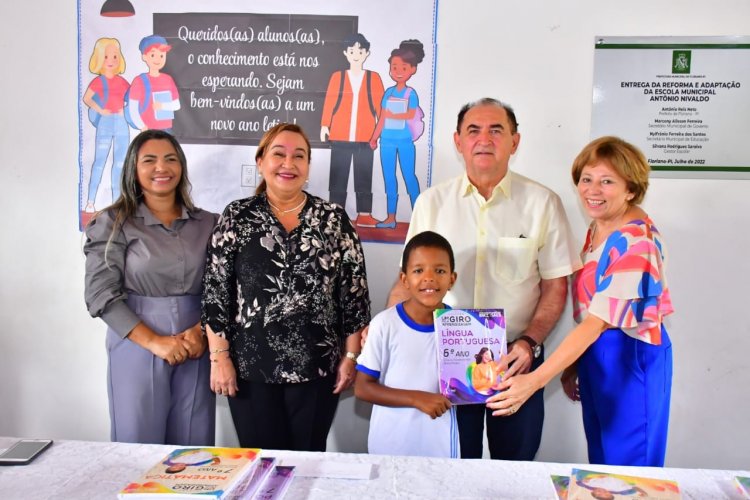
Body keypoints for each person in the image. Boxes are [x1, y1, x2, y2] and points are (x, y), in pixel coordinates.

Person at [386, 98, 581, 460]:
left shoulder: (542, 203)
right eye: (473, 130)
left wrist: (529, 344)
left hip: (515, 359)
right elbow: (407, 284)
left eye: (496, 130)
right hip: (443, 358)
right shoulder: (431, 203)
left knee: (516, 464)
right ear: (458, 141)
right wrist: (387, 334)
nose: (484, 139)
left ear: (515, 141)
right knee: (453, 465)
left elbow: (556, 287)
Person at [488, 136, 674, 467]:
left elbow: (596, 322)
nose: (592, 190)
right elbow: (593, 311)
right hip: (598, 355)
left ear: (630, 189)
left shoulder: (637, 242)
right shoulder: (599, 227)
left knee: (631, 470)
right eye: (586, 179)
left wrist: (534, 381)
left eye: (607, 181)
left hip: (630, 360)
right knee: (601, 464)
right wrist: (576, 365)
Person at [202, 123, 371, 452]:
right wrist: (218, 358)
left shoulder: (333, 219)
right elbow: (215, 294)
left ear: (308, 166)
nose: (288, 163)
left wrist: (351, 357)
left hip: (318, 371)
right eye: (278, 154)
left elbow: (355, 297)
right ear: (261, 161)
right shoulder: (237, 217)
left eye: (299, 156)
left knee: (307, 464)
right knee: (259, 463)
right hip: (250, 371)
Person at [84, 130, 217, 445]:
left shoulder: (209, 223)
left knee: (193, 448)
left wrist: (201, 330)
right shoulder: (113, 222)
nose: (162, 168)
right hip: (137, 339)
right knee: (137, 446)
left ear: (182, 167)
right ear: (133, 168)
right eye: (150, 160)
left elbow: (224, 287)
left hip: (197, 343)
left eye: (171, 159)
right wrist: (156, 342)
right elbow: (100, 293)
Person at [355, 231, 459, 458]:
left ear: (452, 279)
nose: (429, 278)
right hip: (389, 443)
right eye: (418, 270)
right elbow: (362, 387)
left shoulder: (462, 328)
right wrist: (417, 398)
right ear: (404, 279)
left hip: (440, 446)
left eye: (440, 271)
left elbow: (470, 384)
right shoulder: (384, 324)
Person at [320, 33, 384, 228]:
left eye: (360, 51)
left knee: (364, 175)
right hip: (340, 135)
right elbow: (330, 101)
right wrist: (325, 125)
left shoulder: (373, 78)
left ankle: (364, 214)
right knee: (338, 176)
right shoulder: (337, 77)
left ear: (367, 54)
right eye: (352, 50)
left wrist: (379, 132)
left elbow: (381, 107)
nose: (356, 54)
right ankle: (335, 213)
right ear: (345, 53)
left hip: (366, 137)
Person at [369, 39, 425, 229]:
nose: (398, 71)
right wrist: (374, 137)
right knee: (389, 177)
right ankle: (391, 217)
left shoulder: (411, 93)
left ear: (413, 69)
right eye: (394, 67)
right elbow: (382, 117)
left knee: (409, 176)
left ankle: (419, 218)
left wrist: (396, 114)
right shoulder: (388, 92)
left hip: (405, 140)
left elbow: (411, 113)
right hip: (386, 141)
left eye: (403, 67)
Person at [83, 37, 130, 212]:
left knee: (120, 163)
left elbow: (132, 98)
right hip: (105, 123)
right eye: (106, 57)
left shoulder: (123, 82)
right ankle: (90, 201)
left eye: (115, 57)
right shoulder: (98, 81)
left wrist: (124, 110)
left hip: (122, 124)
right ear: (98, 59)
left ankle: (116, 203)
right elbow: (87, 98)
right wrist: (101, 110)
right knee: (99, 161)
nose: (111, 61)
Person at [127, 35, 180, 132]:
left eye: (161, 55)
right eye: (153, 55)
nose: (158, 59)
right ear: (144, 57)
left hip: (166, 129)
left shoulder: (168, 79)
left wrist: (162, 106)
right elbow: (133, 108)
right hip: (148, 129)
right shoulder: (139, 81)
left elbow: (176, 105)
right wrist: (142, 126)